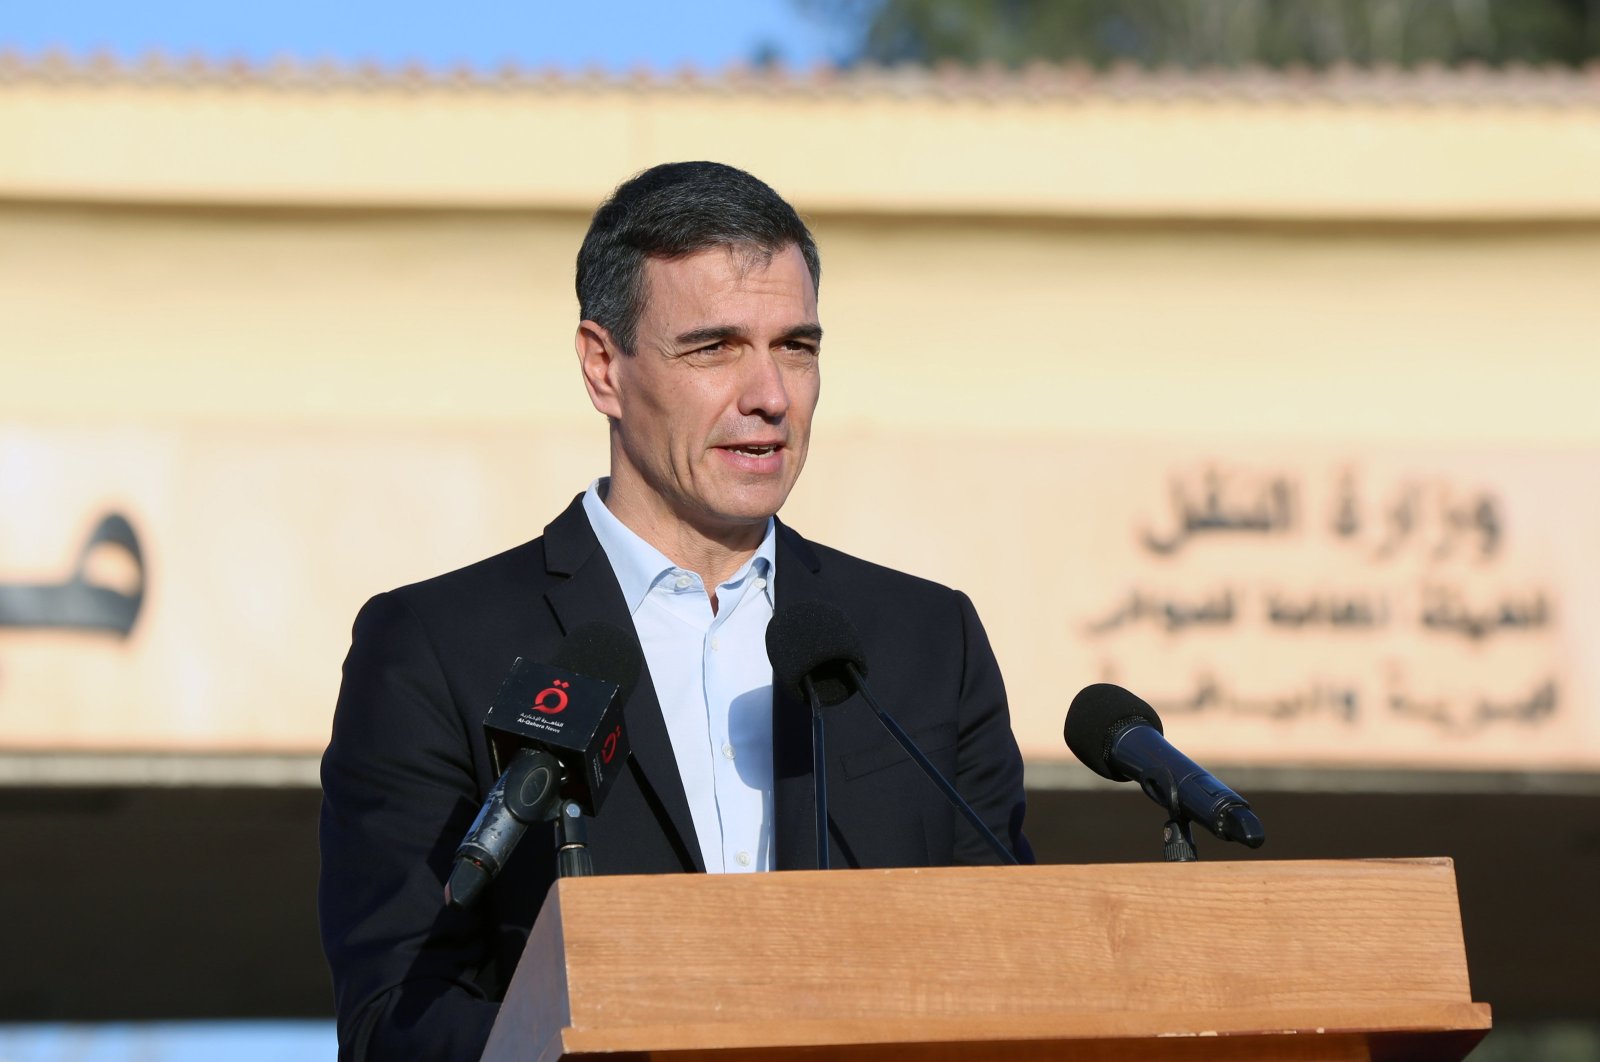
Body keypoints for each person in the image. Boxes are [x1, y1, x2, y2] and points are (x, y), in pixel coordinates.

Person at [318, 161, 1032, 1061]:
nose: (769, 394)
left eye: (796, 347)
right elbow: (399, 1019)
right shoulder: (436, 648)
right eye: (715, 348)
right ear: (603, 366)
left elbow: (1010, 974)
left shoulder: (926, 645)